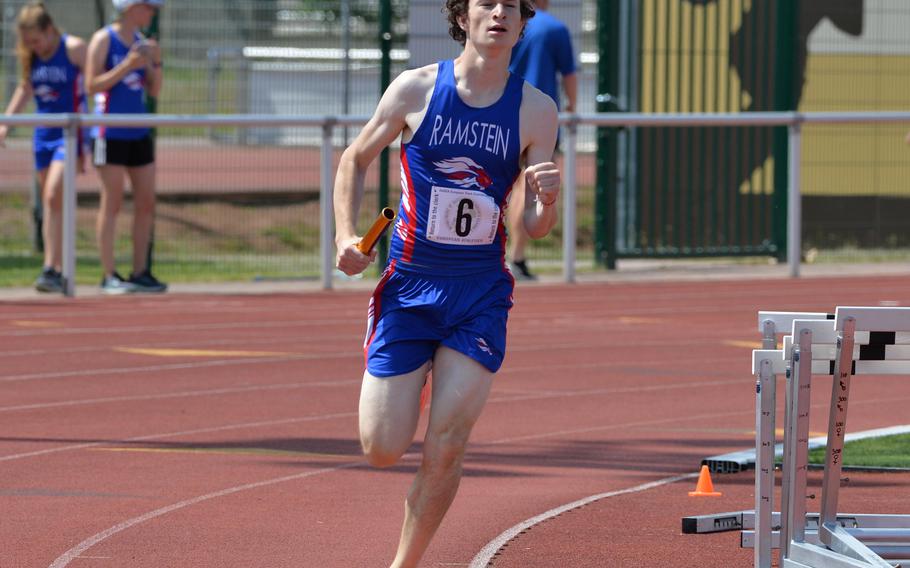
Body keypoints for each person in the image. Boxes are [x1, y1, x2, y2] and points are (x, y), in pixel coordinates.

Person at [333, 1, 560, 566]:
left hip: (478, 293)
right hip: (409, 287)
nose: (501, 13)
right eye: (488, 2)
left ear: (525, 21)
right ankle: (421, 372)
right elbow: (355, 159)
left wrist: (546, 202)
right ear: (463, 16)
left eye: (513, 5)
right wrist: (346, 235)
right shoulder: (415, 89)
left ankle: (405, 563)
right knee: (383, 449)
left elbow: (533, 225)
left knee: (447, 443)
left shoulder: (536, 110)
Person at [0, 2, 87, 294]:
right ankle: (53, 267)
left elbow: (95, 83)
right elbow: (25, 89)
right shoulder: (31, 56)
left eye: (37, 40)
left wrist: (94, 126)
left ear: (50, 31)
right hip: (43, 134)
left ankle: (58, 266)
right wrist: (6, 125)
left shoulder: (74, 49)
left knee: (53, 192)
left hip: (70, 133)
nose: (34, 47)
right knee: (50, 202)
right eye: (28, 43)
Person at [85, 0, 165, 294]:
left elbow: (154, 90)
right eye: (148, 7)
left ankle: (140, 271)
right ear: (131, 7)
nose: (152, 13)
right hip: (109, 131)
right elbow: (91, 85)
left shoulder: (142, 42)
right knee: (113, 202)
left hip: (138, 132)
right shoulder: (104, 39)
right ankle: (108, 274)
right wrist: (126, 65)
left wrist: (154, 62)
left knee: (146, 202)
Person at [506, 0, 577, 280]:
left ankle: (508, 255)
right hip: (539, 118)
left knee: (510, 189)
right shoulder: (555, 28)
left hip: (503, 113)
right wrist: (572, 107)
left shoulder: (506, 23)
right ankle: (517, 256)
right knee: (530, 188)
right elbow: (569, 73)